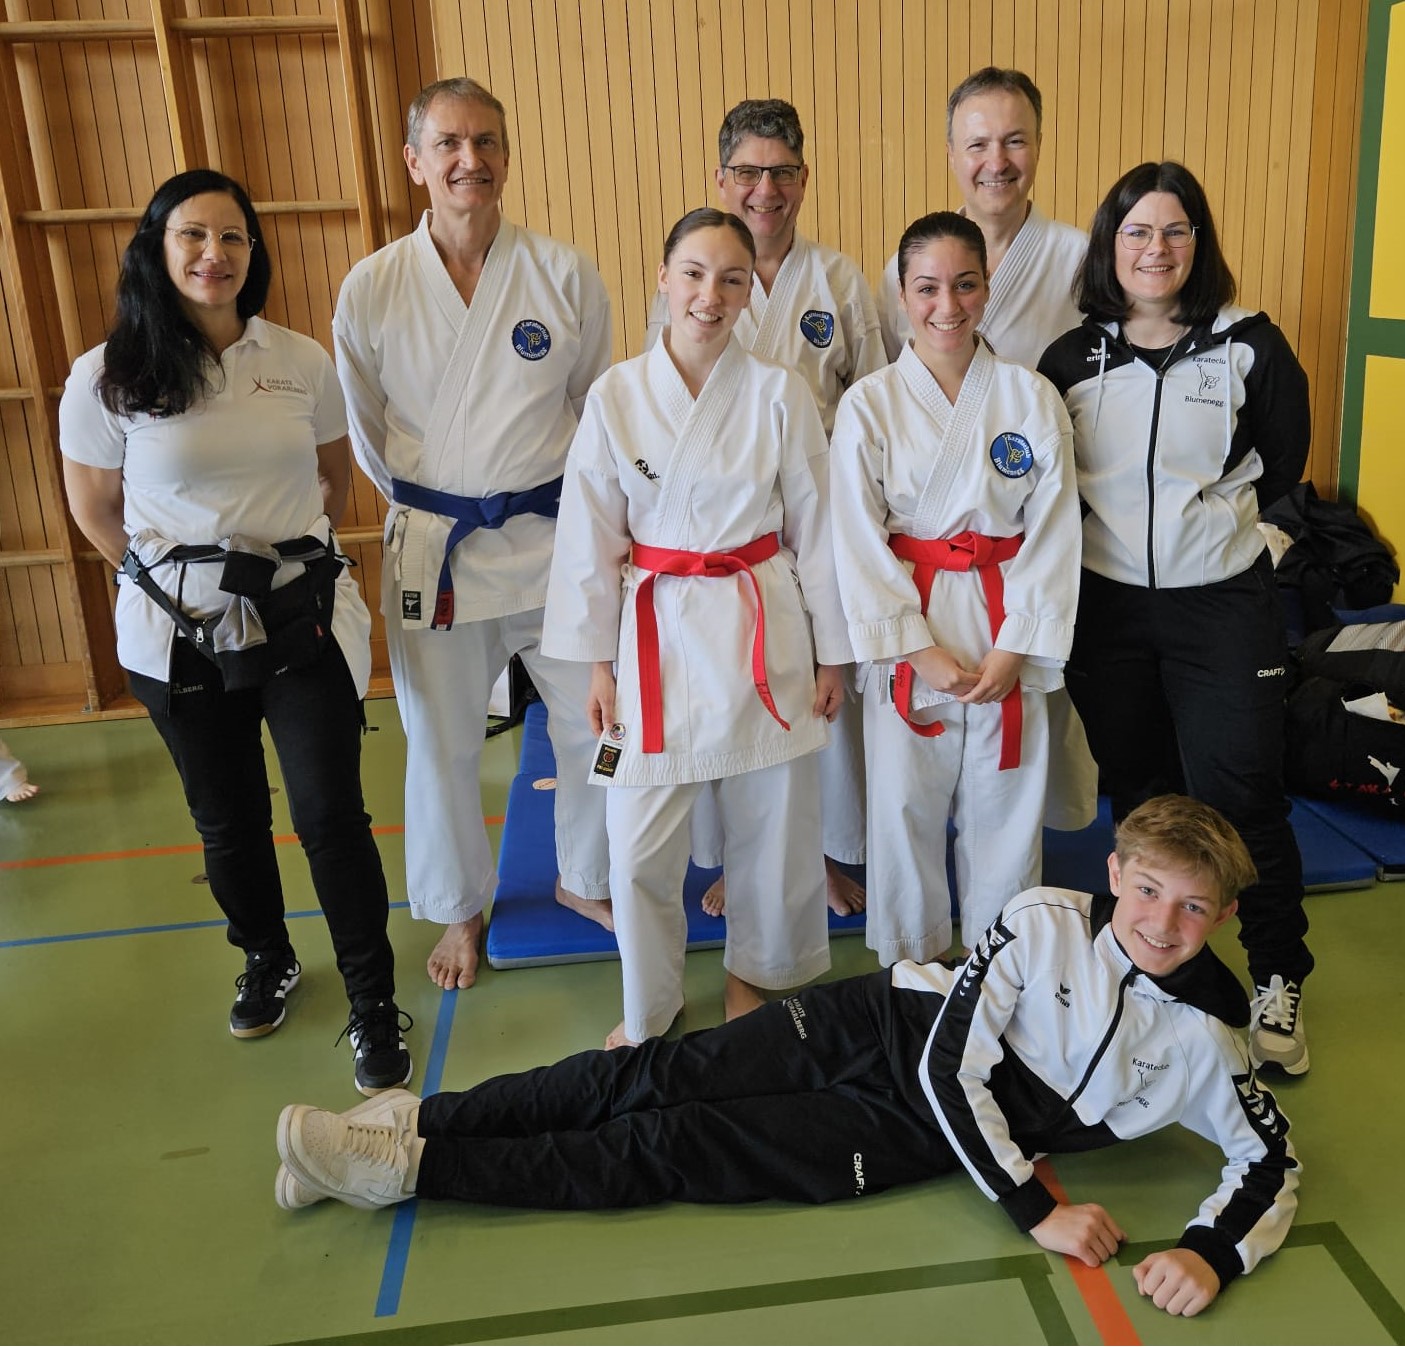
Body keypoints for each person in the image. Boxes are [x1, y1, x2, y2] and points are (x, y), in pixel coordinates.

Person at [273, 794, 1299, 1322]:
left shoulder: (1207, 1037)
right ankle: (410, 1122)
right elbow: (951, 1065)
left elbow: (1269, 1160)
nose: (1161, 921)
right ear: (1114, 872)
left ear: (1221, 916)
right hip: (889, 1023)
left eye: (1191, 906)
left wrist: (1210, 1253)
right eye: (1147, 889)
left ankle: (404, 1171)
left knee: (670, 1146)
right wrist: (1035, 1207)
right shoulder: (1042, 920)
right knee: (654, 1072)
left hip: (905, 1130)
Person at [58, 169, 410, 1094]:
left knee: (330, 814)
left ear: (253, 252)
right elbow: (94, 507)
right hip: (175, 635)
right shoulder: (106, 375)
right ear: (157, 247)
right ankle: (266, 954)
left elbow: (331, 478)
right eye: (193, 235)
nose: (214, 254)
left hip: (300, 619)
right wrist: (181, 583)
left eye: (233, 237)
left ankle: (373, 1000)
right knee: (227, 820)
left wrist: (270, 558)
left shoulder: (297, 359)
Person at [541, 207, 851, 1046]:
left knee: (773, 827)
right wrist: (597, 664)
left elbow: (817, 530)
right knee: (636, 843)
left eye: (730, 279)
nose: (709, 295)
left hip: (762, 626)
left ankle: (759, 976)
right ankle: (651, 1002)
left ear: (750, 292)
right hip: (655, 634)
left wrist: (833, 654)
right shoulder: (616, 394)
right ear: (662, 277)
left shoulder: (780, 392)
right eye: (693, 273)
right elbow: (588, 540)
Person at [333, 77, 614, 991]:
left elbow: (594, 409)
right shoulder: (373, 286)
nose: (470, 159)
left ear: (506, 156)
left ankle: (586, 877)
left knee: (594, 723)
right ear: (414, 161)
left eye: (486, 141)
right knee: (442, 738)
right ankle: (460, 904)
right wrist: (430, 504)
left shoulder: (562, 273)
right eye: (449, 143)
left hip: (553, 538)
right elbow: (367, 431)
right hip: (435, 546)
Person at [1037, 161, 1314, 1077]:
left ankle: (1275, 976)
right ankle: (1157, 971)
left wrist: (1241, 544)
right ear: (1108, 246)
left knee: (1242, 795)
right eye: (1135, 232)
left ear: (1198, 242)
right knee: (1141, 795)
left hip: (1221, 607)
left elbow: (1283, 469)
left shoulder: (1249, 345)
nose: (1154, 249)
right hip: (1108, 609)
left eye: (1173, 230)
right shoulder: (1070, 360)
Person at [645, 98, 885, 918]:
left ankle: (821, 852)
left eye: (781, 172)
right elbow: (664, 408)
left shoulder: (838, 279)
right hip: (726, 529)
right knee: (728, 693)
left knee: (821, 695)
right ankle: (738, 857)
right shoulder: (695, 273)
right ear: (721, 178)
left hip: (818, 518)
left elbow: (871, 402)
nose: (765, 189)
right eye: (747, 171)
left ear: (803, 179)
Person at [830, 211, 1080, 965]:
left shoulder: (1029, 396)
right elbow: (855, 537)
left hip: (1007, 618)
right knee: (902, 804)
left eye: (965, 285)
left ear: (987, 287)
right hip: (914, 623)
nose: (948, 305)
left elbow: (1054, 528)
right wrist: (915, 648)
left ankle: (999, 962)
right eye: (927, 288)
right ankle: (911, 961)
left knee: (1006, 806)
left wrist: (1018, 643)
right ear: (902, 294)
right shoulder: (869, 402)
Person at [876, 67, 1095, 834]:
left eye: (1013, 141)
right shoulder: (909, 263)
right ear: (950, 152)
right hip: (931, 543)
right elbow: (900, 393)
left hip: (1033, 523)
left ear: (1038, 146)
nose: (995, 161)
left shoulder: (1080, 258)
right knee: (913, 770)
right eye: (976, 144)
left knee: (1025, 748)